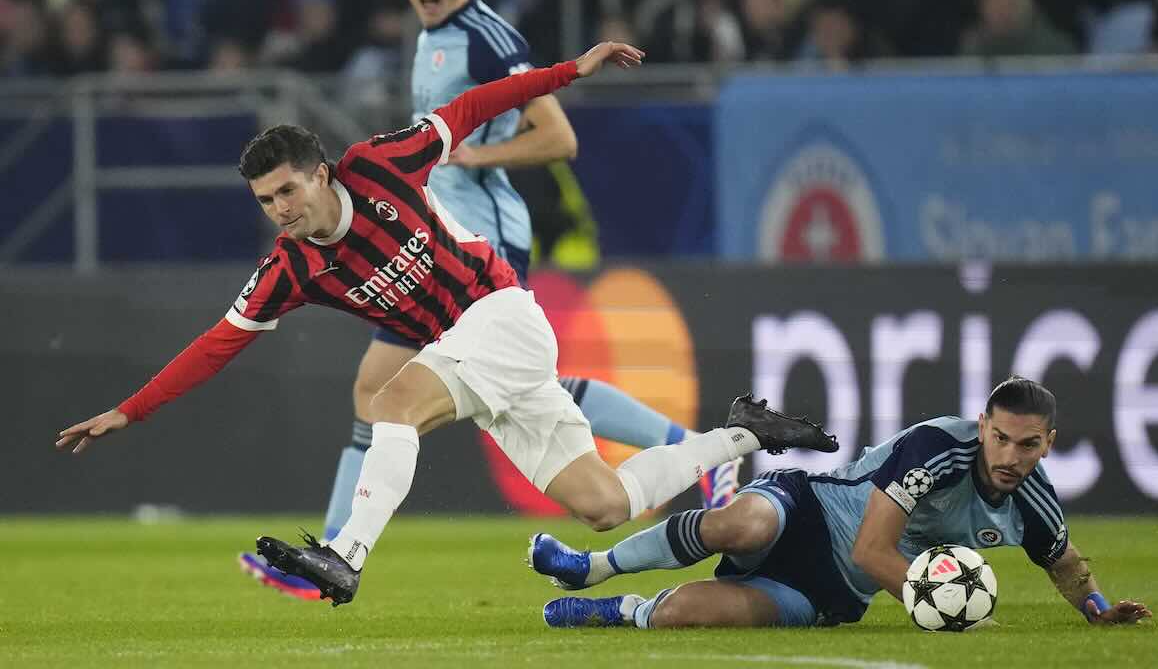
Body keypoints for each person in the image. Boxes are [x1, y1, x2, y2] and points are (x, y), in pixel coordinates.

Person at [55, 41, 841, 608]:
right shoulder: (289, 269)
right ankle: (743, 434)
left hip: (501, 316)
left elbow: (474, 106)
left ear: (322, 172)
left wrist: (570, 72)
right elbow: (216, 344)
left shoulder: (381, 162)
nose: (281, 211)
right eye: (266, 202)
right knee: (603, 505)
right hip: (479, 359)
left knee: (389, 403)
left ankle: (346, 555)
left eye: (289, 191)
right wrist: (132, 409)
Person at [236, 0, 747, 601]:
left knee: (390, 391)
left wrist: (479, 153)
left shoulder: (485, 38)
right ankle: (703, 448)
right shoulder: (430, 39)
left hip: (478, 242)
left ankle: (334, 552)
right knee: (525, 391)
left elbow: (558, 137)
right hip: (432, 246)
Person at [532, 376, 1152, 630]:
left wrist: (1096, 609)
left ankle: (621, 610)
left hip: (833, 594)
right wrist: (944, 605)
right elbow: (871, 547)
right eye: (1000, 437)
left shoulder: (1033, 500)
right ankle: (593, 566)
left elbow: (1062, 560)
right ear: (983, 423)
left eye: (1027, 445)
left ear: (1048, 445)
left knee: (683, 615)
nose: (1010, 455)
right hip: (810, 511)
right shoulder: (939, 447)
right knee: (737, 524)